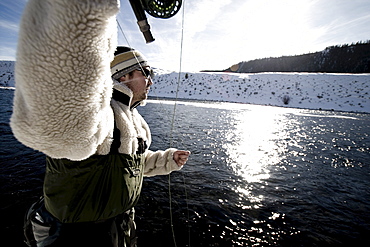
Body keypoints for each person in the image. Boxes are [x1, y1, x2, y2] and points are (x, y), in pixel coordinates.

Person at [10, 0, 190, 246]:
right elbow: (66, 92)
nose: (151, 81)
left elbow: (131, 164)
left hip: (120, 230)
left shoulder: (134, 119)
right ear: (123, 76)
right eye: (146, 72)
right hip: (76, 237)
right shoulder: (97, 112)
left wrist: (168, 160)